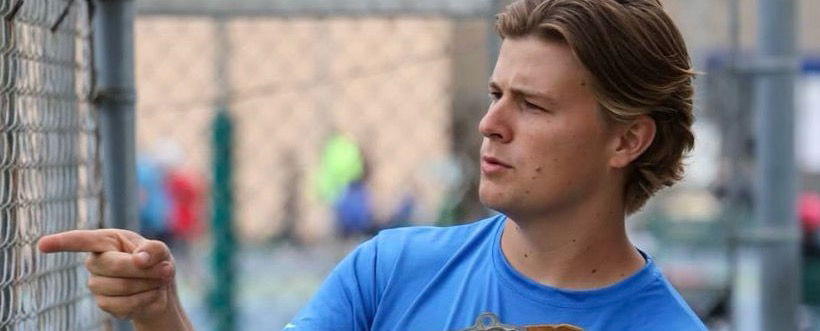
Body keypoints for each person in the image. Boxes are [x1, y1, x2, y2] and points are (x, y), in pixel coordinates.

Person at [37, 0, 706, 329]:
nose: (489, 123)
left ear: (628, 141)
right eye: (496, 93)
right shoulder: (390, 269)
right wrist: (161, 311)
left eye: (531, 105)